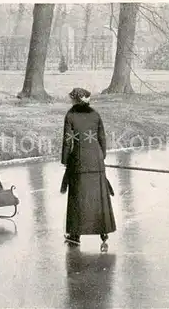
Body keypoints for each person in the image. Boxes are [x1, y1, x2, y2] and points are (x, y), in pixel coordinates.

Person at [61, 87, 116, 247]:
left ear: (74, 100)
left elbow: (67, 141)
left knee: (78, 197)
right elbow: (102, 138)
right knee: (98, 197)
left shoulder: (70, 116)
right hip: (96, 161)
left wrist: (65, 160)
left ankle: (75, 235)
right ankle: (103, 232)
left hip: (79, 162)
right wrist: (101, 156)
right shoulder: (95, 115)